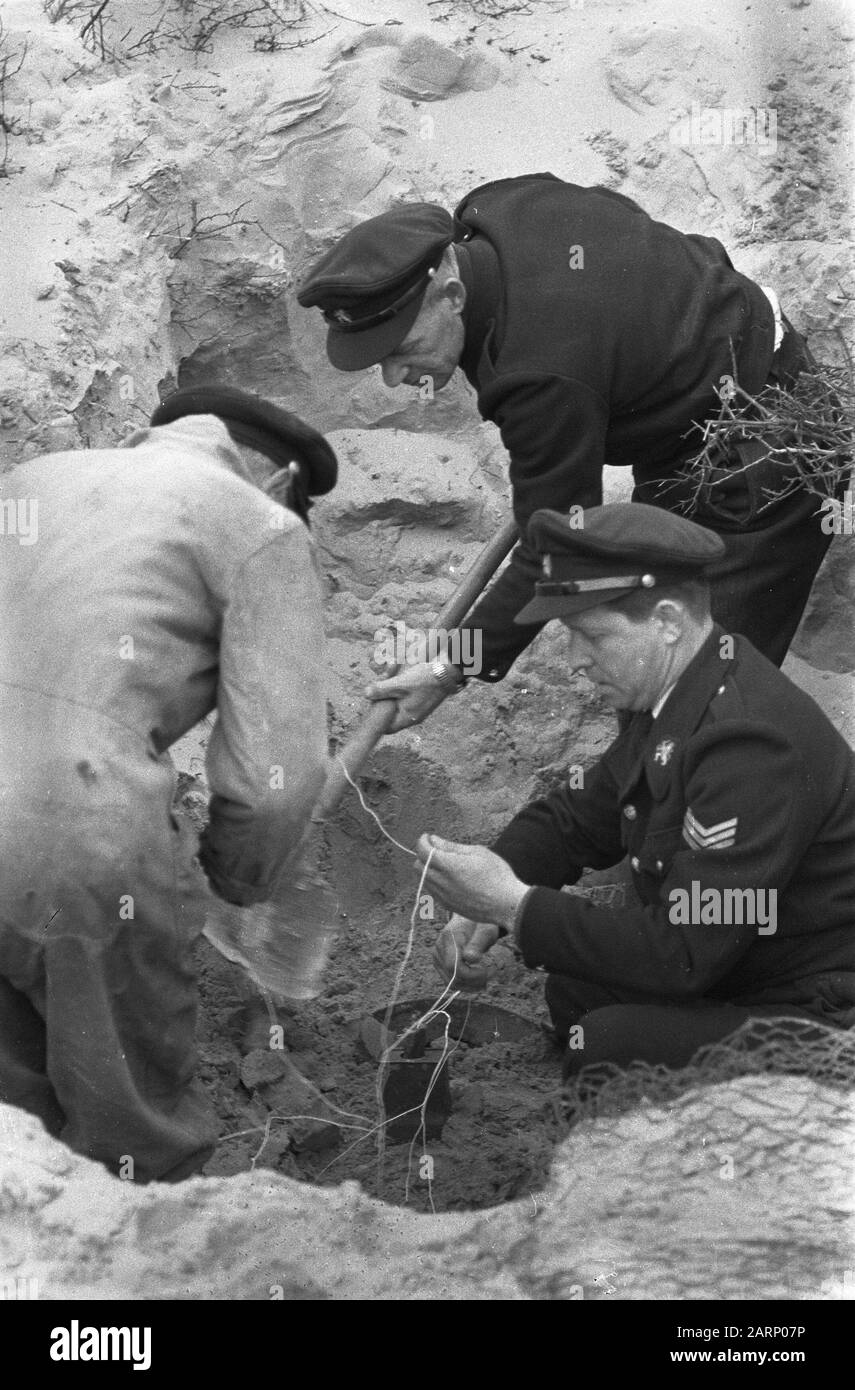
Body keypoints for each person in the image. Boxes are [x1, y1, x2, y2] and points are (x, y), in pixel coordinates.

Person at [297, 173, 844, 729]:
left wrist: (448, 668)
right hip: (694, 408)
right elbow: (624, 221)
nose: (394, 377)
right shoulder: (496, 208)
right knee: (645, 654)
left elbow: (557, 548)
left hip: (767, 452)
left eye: (403, 349)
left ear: (453, 295)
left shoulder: (541, 373)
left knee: (688, 704)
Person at [0, 386, 337, 1181]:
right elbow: (275, 781)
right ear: (284, 479)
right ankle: (131, 1301)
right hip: (74, 845)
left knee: (12, 1141)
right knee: (134, 1140)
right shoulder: (259, 525)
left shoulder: (30, 480)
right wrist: (236, 881)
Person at [413, 503, 855, 1079]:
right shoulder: (683, 690)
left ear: (667, 620)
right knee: (577, 989)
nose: (575, 661)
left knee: (609, 1044)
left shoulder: (748, 743)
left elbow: (682, 954)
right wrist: (495, 891)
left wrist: (512, 905)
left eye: (590, 635)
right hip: (745, 965)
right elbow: (579, 817)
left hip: (819, 1008)